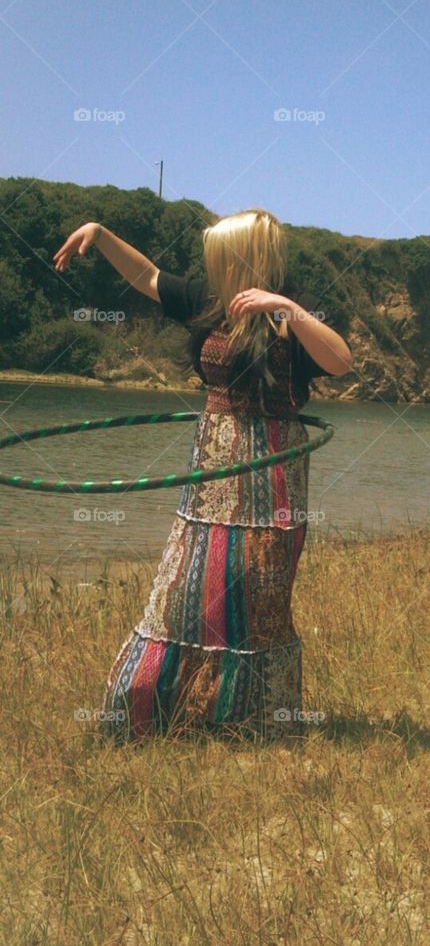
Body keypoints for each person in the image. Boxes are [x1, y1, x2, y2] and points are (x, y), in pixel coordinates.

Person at [53, 208, 352, 744]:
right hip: (211, 469)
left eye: (220, 258)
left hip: (271, 473)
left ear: (246, 258)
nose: (211, 268)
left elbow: (340, 362)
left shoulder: (285, 317)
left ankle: (250, 722)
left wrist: (287, 309)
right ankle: (157, 712)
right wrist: (100, 235)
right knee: (187, 584)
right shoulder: (210, 302)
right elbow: (146, 276)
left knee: (256, 594)